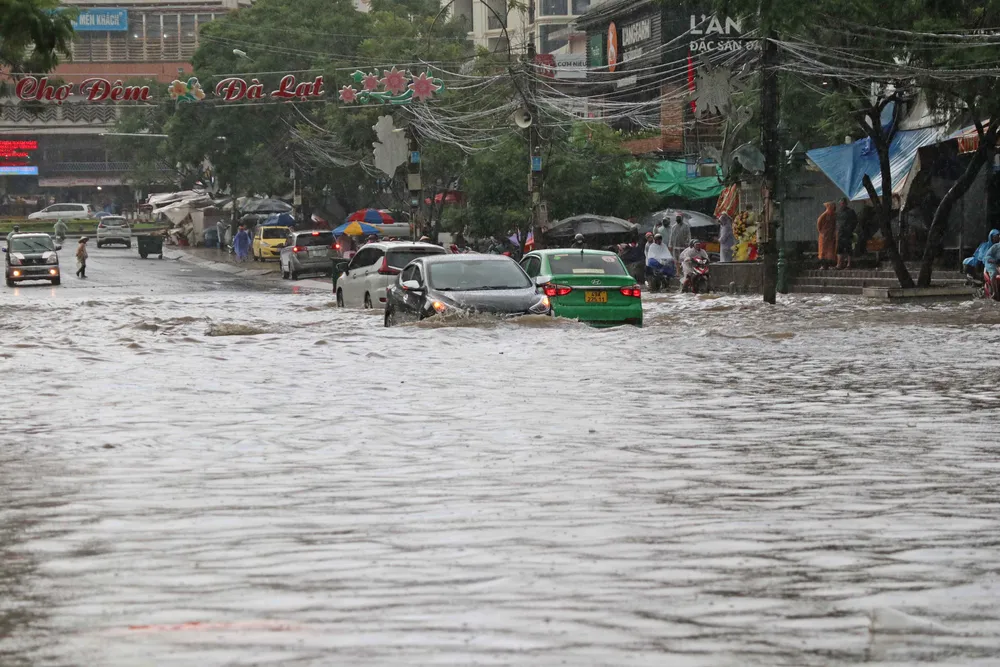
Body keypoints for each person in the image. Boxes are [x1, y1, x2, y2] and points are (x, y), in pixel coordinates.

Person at [835, 198, 858, 269]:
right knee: (839, 249)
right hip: (840, 233)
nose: (842, 204)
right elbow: (837, 222)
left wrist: (850, 229)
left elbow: (855, 221)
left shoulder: (850, 211)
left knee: (848, 249)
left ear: (845, 203)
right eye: (840, 203)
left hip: (848, 233)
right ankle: (839, 264)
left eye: (843, 203)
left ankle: (849, 264)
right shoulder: (838, 212)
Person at [817, 202, 837, 268]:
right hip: (824, 236)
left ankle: (830, 264)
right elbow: (819, 224)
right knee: (823, 251)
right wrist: (822, 232)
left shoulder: (833, 215)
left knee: (830, 251)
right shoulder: (824, 215)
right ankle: (823, 264)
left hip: (830, 236)